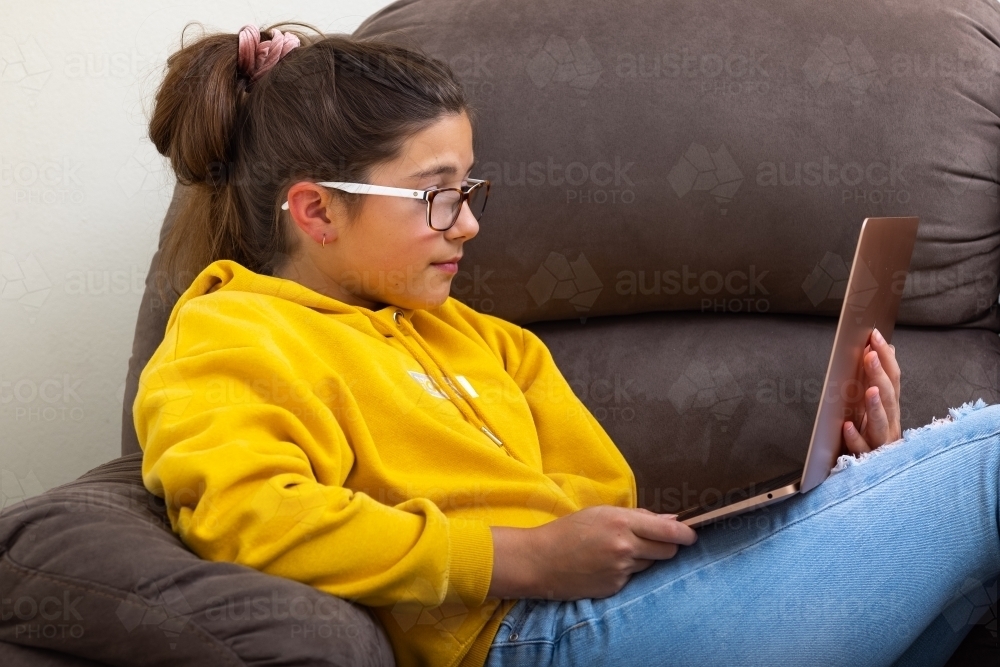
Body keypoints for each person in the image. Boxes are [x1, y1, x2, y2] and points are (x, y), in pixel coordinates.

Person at [134, 22, 1000, 667]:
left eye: (469, 188)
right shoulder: (231, 334)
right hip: (530, 639)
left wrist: (868, 484)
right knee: (990, 458)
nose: (468, 224)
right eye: (435, 195)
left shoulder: (491, 341)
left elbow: (602, 497)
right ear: (316, 209)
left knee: (966, 561)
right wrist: (518, 555)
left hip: (620, 608)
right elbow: (250, 518)